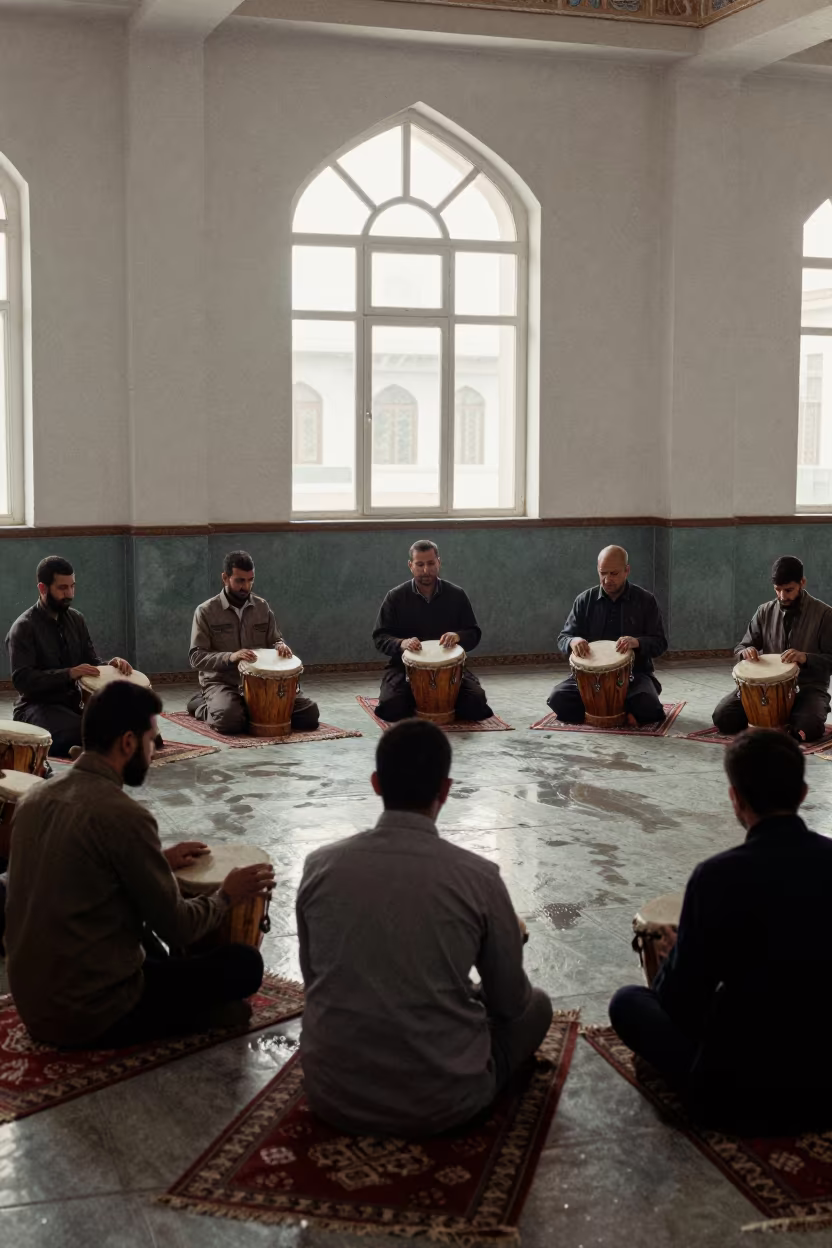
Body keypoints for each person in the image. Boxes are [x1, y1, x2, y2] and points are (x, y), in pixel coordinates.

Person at [297, 718, 552, 1136]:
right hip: (444, 1102)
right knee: (537, 1005)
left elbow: (315, 981)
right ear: (445, 790)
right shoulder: (478, 876)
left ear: (376, 784)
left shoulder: (319, 865)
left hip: (332, 1094)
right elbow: (510, 1004)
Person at [5, 681, 274, 1048]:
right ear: (128, 742)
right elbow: (178, 928)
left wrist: (158, 861)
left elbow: (80, 871)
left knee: (148, 945)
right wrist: (226, 894)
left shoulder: (33, 799)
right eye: (151, 740)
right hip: (88, 1013)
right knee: (243, 965)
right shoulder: (124, 815)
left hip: (33, 1002)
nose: (152, 751)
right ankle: (190, 1018)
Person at [609, 729, 832, 1133]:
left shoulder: (716, 877)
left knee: (628, 1002)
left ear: (735, 798)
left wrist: (678, 953)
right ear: (802, 793)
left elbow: (679, 1003)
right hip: (824, 1083)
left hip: (737, 1095)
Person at [5, 555, 135, 759]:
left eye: (72, 586)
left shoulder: (76, 619)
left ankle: (93, 750)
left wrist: (111, 666)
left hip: (72, 704)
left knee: (135, 721)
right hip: (37, 707)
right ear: (42, 588)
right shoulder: (23, 628)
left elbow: (91, 663)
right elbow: (23, 681)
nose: (70, 594)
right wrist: (69, 674)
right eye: (62, 588)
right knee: (79, 731)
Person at [187, 550, 319, 734]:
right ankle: (201, 704)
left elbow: (275, 639)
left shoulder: (262, 607)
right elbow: (196, 657)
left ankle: (243, 708)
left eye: (250, 580)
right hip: (222, 682)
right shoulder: (205, 611)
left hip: (263, 683)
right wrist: (231, 657)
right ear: (225, 578)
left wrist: (280, 646)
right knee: (229, 722)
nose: (246, 587)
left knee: (309, 715)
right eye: (240, 581)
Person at [712, 555, 832, 743]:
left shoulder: (824, 615)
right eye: (778, 590)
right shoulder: (764, 611)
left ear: (802, 583)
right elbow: (742, 646)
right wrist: (745, 652)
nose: (782, 596)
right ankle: (779, 720)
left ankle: (792, 720)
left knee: (808, 728)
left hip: (807, 688)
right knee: (723, 718)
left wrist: (805, 658)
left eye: (788, 590)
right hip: (764, 689)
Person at [372, 540, 493, 722]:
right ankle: (417, 698)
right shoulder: (395, 597)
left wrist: (458, 636)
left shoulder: (456, 594)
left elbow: (473, 633)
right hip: (404, 667)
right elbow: (380, 637)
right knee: (391, 708)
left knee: (476, 705)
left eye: (430, 563)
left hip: (450, 669)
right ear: (410, 565)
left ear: (439, 562)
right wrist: (402, 643)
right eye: (420, 564)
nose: (426, 570)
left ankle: (427, 699)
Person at [548, 545, 668, 725]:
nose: (607, 579)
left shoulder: (645, 600)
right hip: (589, 677)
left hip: (634, 676)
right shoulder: (585, 600)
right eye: (603, 573)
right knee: (557, 698)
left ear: (627, 571)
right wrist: (574, 641)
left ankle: (601, 709)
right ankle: (620, 712)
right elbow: (564, 638)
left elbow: (660, 643)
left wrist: (636, 642)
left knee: (649, 705)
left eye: (614, 573)